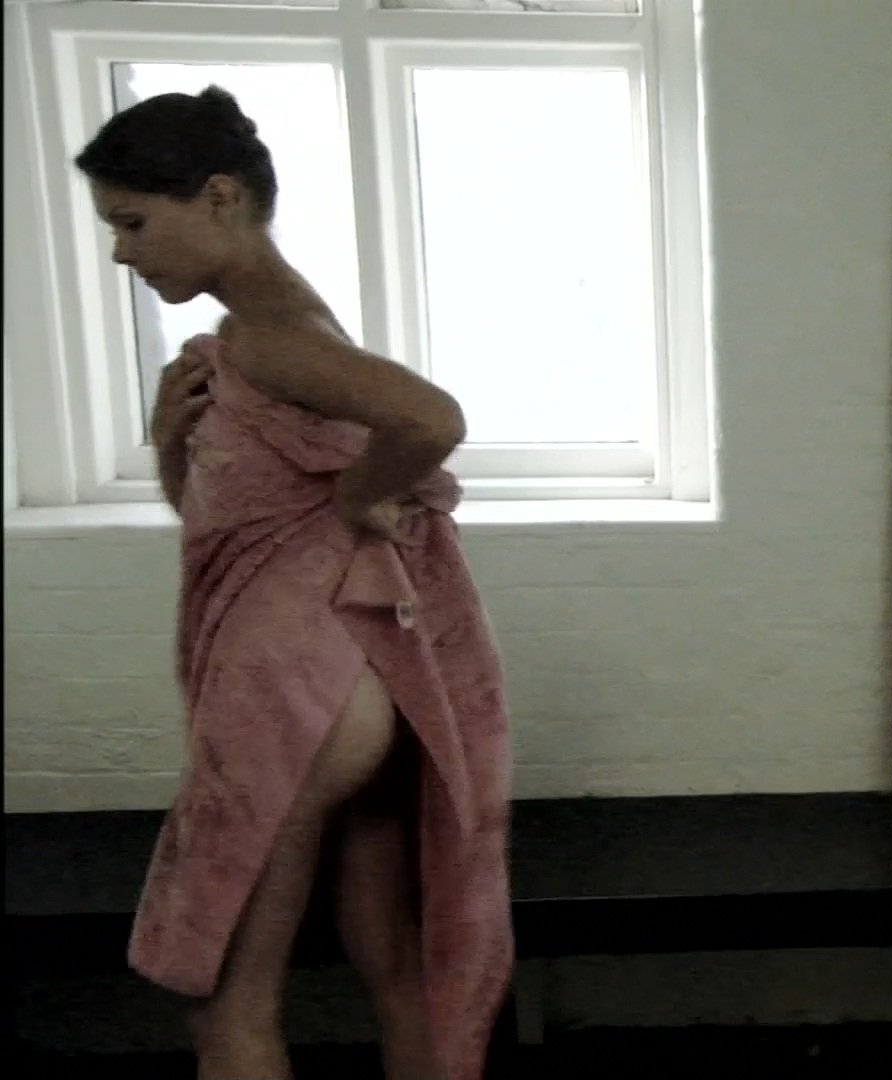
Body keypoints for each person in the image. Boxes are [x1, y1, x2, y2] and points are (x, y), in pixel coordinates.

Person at [75, 86, 512, 1080]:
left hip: (295, 696)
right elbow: (236, 523)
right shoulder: (284, 330)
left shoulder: (267, 337)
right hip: (361, 687)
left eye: (132, 223)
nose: (122, 254)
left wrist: (362, 496)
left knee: (231, 1007)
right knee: (394, 964)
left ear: (219, 197)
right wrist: (170, 441)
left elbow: (432, 419)